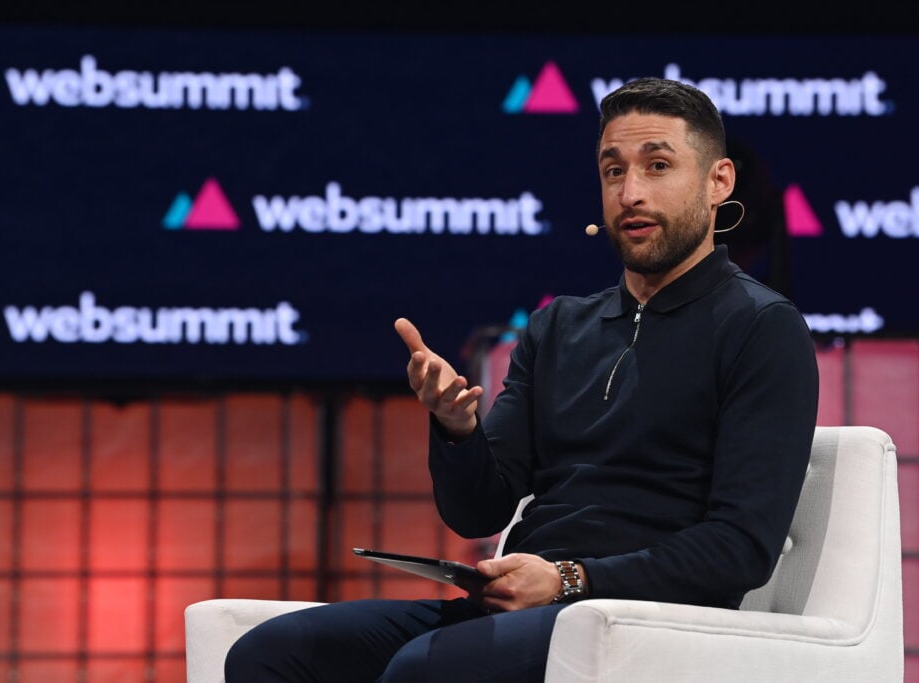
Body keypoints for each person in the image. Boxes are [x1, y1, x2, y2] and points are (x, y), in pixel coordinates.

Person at [224, 76, 819, 682]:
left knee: (420, 671)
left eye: (657, 166)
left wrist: (570, 579)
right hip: (520, 609)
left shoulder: (761, 327)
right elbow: (478, 511)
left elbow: (740, 547)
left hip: (646, 628)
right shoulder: (559, 326)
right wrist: (457, 429)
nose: (631, 193)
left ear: (718, 182)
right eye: (613, 172)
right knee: (271, 653)